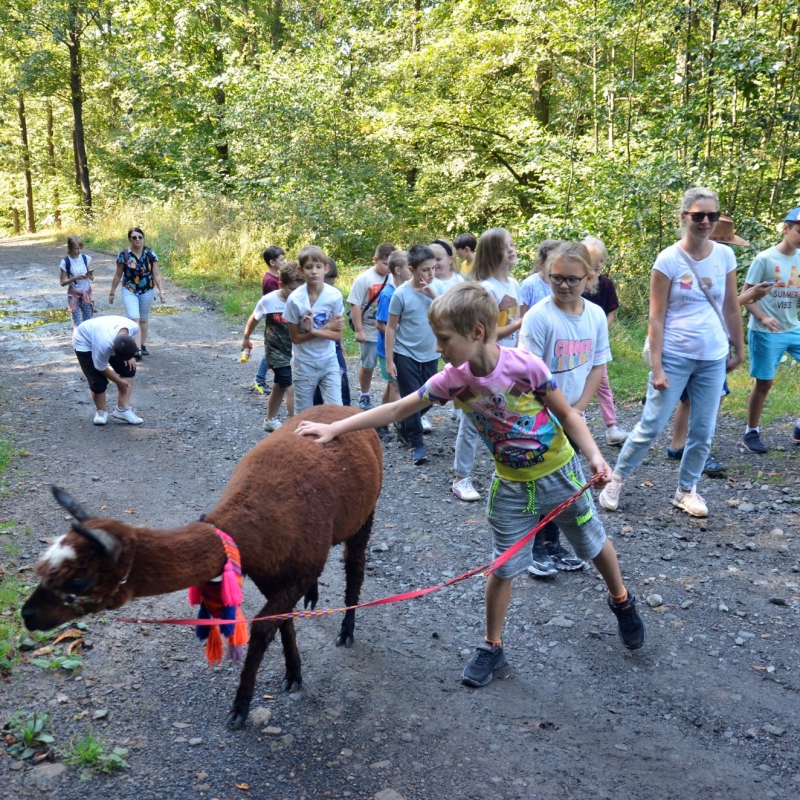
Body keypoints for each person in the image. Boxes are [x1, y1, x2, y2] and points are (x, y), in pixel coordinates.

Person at [296, 283, 646, 689]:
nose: (439, 349)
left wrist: (595, 456)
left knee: (591, 543)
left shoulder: (525, 367)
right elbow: (397, 407)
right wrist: (334, 426)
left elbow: (567, 415)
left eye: (444, 339)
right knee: (503, 566)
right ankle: (492, 645)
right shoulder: (451, 381)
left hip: (560, 476)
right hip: (511, 487)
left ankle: (621, 599)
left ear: (477, 332)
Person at [599, 187, 744, 518]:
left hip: (712, 357)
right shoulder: (668, 259)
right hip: (676, 354)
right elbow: (657, 315)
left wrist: (738, 346)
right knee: (652, 424)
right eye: (697, 216)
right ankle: (617, 479)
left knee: (703, 429)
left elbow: (731, 306)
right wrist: (659, 367)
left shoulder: (725, 256)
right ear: (684, 217)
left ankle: (686, 490)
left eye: (711, 216)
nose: (705, 222)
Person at [520, 241, 609, 575]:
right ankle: (534, 549)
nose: (565, 286)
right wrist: (552, 413)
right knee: (541, 483)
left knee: (562, 484)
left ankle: (552, 544)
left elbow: (598, 365)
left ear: (588, 278)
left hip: (573, 414)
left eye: (573, 279)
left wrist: (579, 408)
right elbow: (527, 375)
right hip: (538, 417)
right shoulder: (539, 317)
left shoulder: (595, 315)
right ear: (547, 275)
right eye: (557, 278)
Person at [666, 216, 752, 475]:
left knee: (691, 398)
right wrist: (751, 296)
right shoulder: (692, 263)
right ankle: (695, 448)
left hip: (711, 343)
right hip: (702, 346)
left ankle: (679, 444)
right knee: (706, 397)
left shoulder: (717, 261)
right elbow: (725, 305)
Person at [451, 228, 522, 502]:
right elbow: (489, 334)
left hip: (509, 363)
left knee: (507, 418)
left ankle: (509, 470)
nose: (513, 250)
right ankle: (461, 477)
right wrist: (520, 324)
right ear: (494, 252)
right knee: (474, 420)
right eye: (508, 247)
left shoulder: (514, 284)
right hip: (486, 364)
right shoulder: (488, 288)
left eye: (514, 245)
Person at [740, 208, 800, 453]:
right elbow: (745, 296)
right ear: (786, 229)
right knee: (764, 383)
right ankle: (751, 431)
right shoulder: (764, 259)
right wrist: (763, 317)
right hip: (766, 331)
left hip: (793, 327)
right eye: (799, 231)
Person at [384, 244, 440, 465]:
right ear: (412, 269)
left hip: (431, 353)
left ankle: (404, 424)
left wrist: (432, 294)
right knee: (411, 399)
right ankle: (417, 445)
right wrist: (389, 361)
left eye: (434, 268)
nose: (431, 274)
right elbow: (390, 328)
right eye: (426, 270)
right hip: (405, 353)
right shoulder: (400, 294)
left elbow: (448, 313)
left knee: (430, 398)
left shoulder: (438, 289)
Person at [241, 261, 304, 432]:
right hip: (276, 351)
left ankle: (270, 419)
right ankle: (297, 429)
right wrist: (246, 338)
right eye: (292, 289)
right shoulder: (268, 301)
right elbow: (253, 319)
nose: (296, 294)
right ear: (281, 284)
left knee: (280, 385)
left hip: (296, 350)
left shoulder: (303, 300)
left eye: (301, 289)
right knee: (291, 386)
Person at [284, 245, 345, 412]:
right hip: (304, 363)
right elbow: (295, 338)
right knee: (303, 413)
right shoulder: (295, 300)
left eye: (318, 267)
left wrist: (314, 330)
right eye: (309, 267)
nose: (314, 272)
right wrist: (327, 328)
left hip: (329, 360)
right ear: (301, 270)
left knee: (336, 410)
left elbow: (337, 334)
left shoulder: (334, 296)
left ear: (326, 268)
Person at [582, 236, 629, 447]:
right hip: (575, 343)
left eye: (601, 260)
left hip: (598, 343)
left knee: (603, 385)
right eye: (595, 260)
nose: (599, 264)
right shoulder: (577, 283)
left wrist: (602, 332)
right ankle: (571, 423)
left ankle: (611, 427)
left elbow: (611, 312)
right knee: (573, 384)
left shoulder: (607, 284)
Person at [347, 243, 396, 410]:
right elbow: (355, 305)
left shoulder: (393, 278)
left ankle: (392, 398)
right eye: (385, 263)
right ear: (375, 260)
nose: (388, 268)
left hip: (387, 328)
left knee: (391, 365)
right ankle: (365, 394)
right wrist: (359, 330)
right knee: (368, 364)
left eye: (391, 264)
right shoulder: (364, 279)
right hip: (369, 329)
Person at [73, 315, 142, 426]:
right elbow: (100, 367)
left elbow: (130, 343)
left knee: (129, 367)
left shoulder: (133, 327)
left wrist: (130, 355)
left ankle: (123, 409)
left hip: (104, 331)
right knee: (97, 380)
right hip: (84, 341)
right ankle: (101, 412)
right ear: (112, 346)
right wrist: (118, 381)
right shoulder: (103, 344)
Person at [109, 227, 165, 360]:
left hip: (147, 290)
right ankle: (137, 349)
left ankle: (142, 344)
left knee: (144, 319)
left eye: (140, 237)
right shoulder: (124, 255)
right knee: (135, 319)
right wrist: (112, 292)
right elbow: (118, 275)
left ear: (143, 238)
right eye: (134, 237)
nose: (137, 240)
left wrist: (162, 291)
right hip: (130, 289)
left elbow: (156, 274)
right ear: (130, 240)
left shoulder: (150, 254)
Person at [374, 250, 411, 439]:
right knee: (395, 386)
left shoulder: (405, 290)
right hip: (386, 350)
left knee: (391, 386)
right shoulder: (388, 294)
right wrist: (395, 336)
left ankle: (379, 422)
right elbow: (380, 323)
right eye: (409, 266)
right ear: (398, 270)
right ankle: (402, 425)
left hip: (400, 348)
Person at [313, 257, 352, 408]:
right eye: (327, 283)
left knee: (342, 380)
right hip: (313, 348)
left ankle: (344, 414)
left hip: (333, 345)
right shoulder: (307, 297)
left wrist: (341, 344)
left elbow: (338, 322)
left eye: (332, 283)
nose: (330, 287)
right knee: (316, 386)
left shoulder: (336, 294)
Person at [253, 245, 287, 395]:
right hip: (275, 323)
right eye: (282, 259)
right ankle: (259, 380)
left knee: (273, 352)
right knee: (270, 352)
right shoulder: (270, 281)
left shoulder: (277, 277)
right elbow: (274, 303)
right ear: (272, 262)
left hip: (281, 322)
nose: (284, 261)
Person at [59, 235, 95, 327]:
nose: (79, 251)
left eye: (80, 248)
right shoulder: (65, 262)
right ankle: (78, 340)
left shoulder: (84, 258)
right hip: (74, 295)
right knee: (77, 324)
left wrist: (90, 275)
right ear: (69, 248)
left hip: (86, 294)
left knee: (88, 323)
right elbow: (62, 282)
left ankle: (87, 341)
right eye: (76, 249)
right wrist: (75, 278)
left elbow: (91, 277)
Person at [518, 239, 560, 316]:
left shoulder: (562, 285)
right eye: (551, 262)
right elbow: (519, 319)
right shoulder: (529, 285)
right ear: (540, 263)